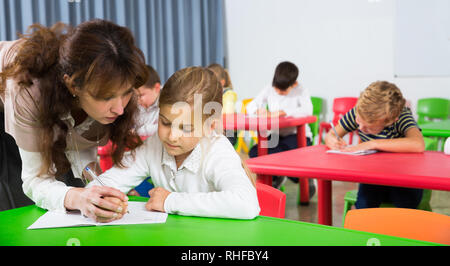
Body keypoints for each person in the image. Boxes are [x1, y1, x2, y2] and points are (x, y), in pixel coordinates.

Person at [0, 19, 149, 222]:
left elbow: (82, 151)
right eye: (106, 97)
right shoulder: (29, 87)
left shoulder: (105, 93)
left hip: (51, 105)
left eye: (126, 93)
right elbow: (34, 180)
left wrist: (103, 189)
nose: (120, 108)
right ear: (72, 85)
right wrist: (77, 198)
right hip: (12, 100)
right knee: (16, 198)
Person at [87, 67, 260, 219]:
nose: (172, 136)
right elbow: (114, 178)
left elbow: (247, 204)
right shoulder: (154, 145)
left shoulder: (217, 150)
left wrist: (170, 201)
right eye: (165, 122)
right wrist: (98, 197)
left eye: (185, 128)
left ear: (210, 126)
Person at [325, 81, 425, 209]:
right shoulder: (360, 112)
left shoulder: (401, 116)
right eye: (358, 122)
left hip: (405, 179)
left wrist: (372, 144)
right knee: (363, 204)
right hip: (374, 178)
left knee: (404, 205)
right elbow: (331, 134)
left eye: (368, 127)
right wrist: (332, 140)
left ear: (390, 121)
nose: (360, 128)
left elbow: (418, 144)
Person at [246, 61, 315, 193]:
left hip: (297, 136)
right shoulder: (269, 89)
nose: (277, 91)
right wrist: (257, 111)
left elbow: (307, 111)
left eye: (282, 90)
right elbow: (251, 105)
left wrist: (282, 112)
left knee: (282, 155)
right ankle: (276, 177)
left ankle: (302, 178)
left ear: (294, 84)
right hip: (276, 135)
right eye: (276, 88)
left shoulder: (301, 91)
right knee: (255, 153)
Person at [128, 65, 161, 197]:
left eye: (141, 95)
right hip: (140, 152)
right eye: (136, 96)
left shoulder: (167, 104)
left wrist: (137, 131)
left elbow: (160, 127)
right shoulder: (138, 105)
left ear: (157, 88)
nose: (139, 100)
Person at [207, 63, 237, 146]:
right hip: (214, 130)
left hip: (228, 133)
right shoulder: (210, 95)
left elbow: (228, 113)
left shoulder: (229, 94)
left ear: (222, 83)